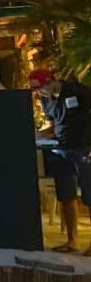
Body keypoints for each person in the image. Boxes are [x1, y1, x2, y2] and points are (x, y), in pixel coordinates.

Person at [30, 69, 91, 255]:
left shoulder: (76, 91)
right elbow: (53, 124)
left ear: (50, 81)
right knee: (65, 195)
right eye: (37, 90)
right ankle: (71, 241)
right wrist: (38, 134)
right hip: (60, 149)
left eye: (41, 88)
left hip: (84, 147)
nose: (40, 93)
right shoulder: (46, 100)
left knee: (89, 194)